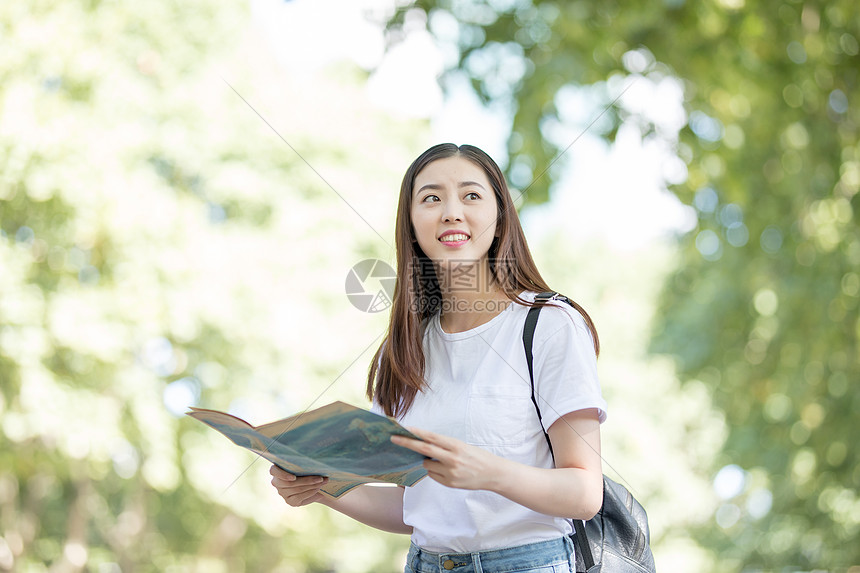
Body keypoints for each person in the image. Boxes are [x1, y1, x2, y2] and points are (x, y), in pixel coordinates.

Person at [270, 143, 607, 573]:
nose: (450, 212)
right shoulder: (406, 349)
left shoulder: (550, 325)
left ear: (499, 218)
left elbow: (584, 493)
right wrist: (322, 488)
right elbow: (415, 507)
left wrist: (488, 472)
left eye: (471, 195)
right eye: (431, 198)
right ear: (411, 224)